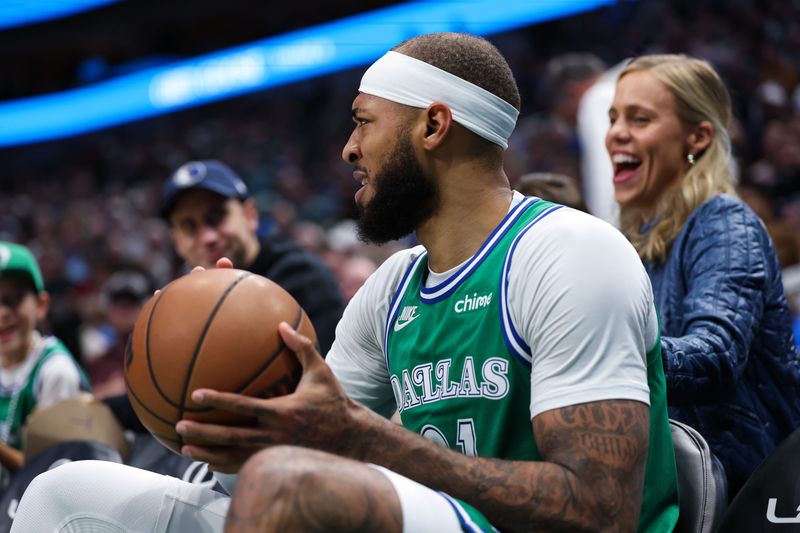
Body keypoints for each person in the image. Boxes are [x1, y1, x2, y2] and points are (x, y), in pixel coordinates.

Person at [11, 33, 679, 532]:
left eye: (363, 121)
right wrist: (215, 373)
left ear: (434, 125)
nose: (348, 149)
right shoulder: (392, 289)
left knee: (287, 484)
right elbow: (285, 446)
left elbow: (602, 510)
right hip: (422, 513)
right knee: (59, 493)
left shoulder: (569, 251)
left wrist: (364, 437)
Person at [605, 53, 800, 497]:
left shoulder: (725, 223)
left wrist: (601, 345)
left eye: (640, 119)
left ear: (697, 137)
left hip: (749, 497)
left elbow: (714, 356)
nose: (616, 132)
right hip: (682, 490)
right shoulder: (633, 242)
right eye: (614, 117)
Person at [160, 159, 345, 354]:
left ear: (250, 215)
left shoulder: (305, 279)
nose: (208, 237)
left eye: (217, 217)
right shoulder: (178, 305)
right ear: (176, 241)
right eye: (188, 227)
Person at [0, 242, 89, 476]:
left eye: (13, 299)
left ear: (41, 305)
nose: (2, 313)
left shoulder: (55, 372)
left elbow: (51, 476)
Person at [82, 269, 153, 399]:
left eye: (132, 303)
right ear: (107, 309)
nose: (124, 309)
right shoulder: (96, 364)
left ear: (145, 307)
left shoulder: (156, 359)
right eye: (118, 303)